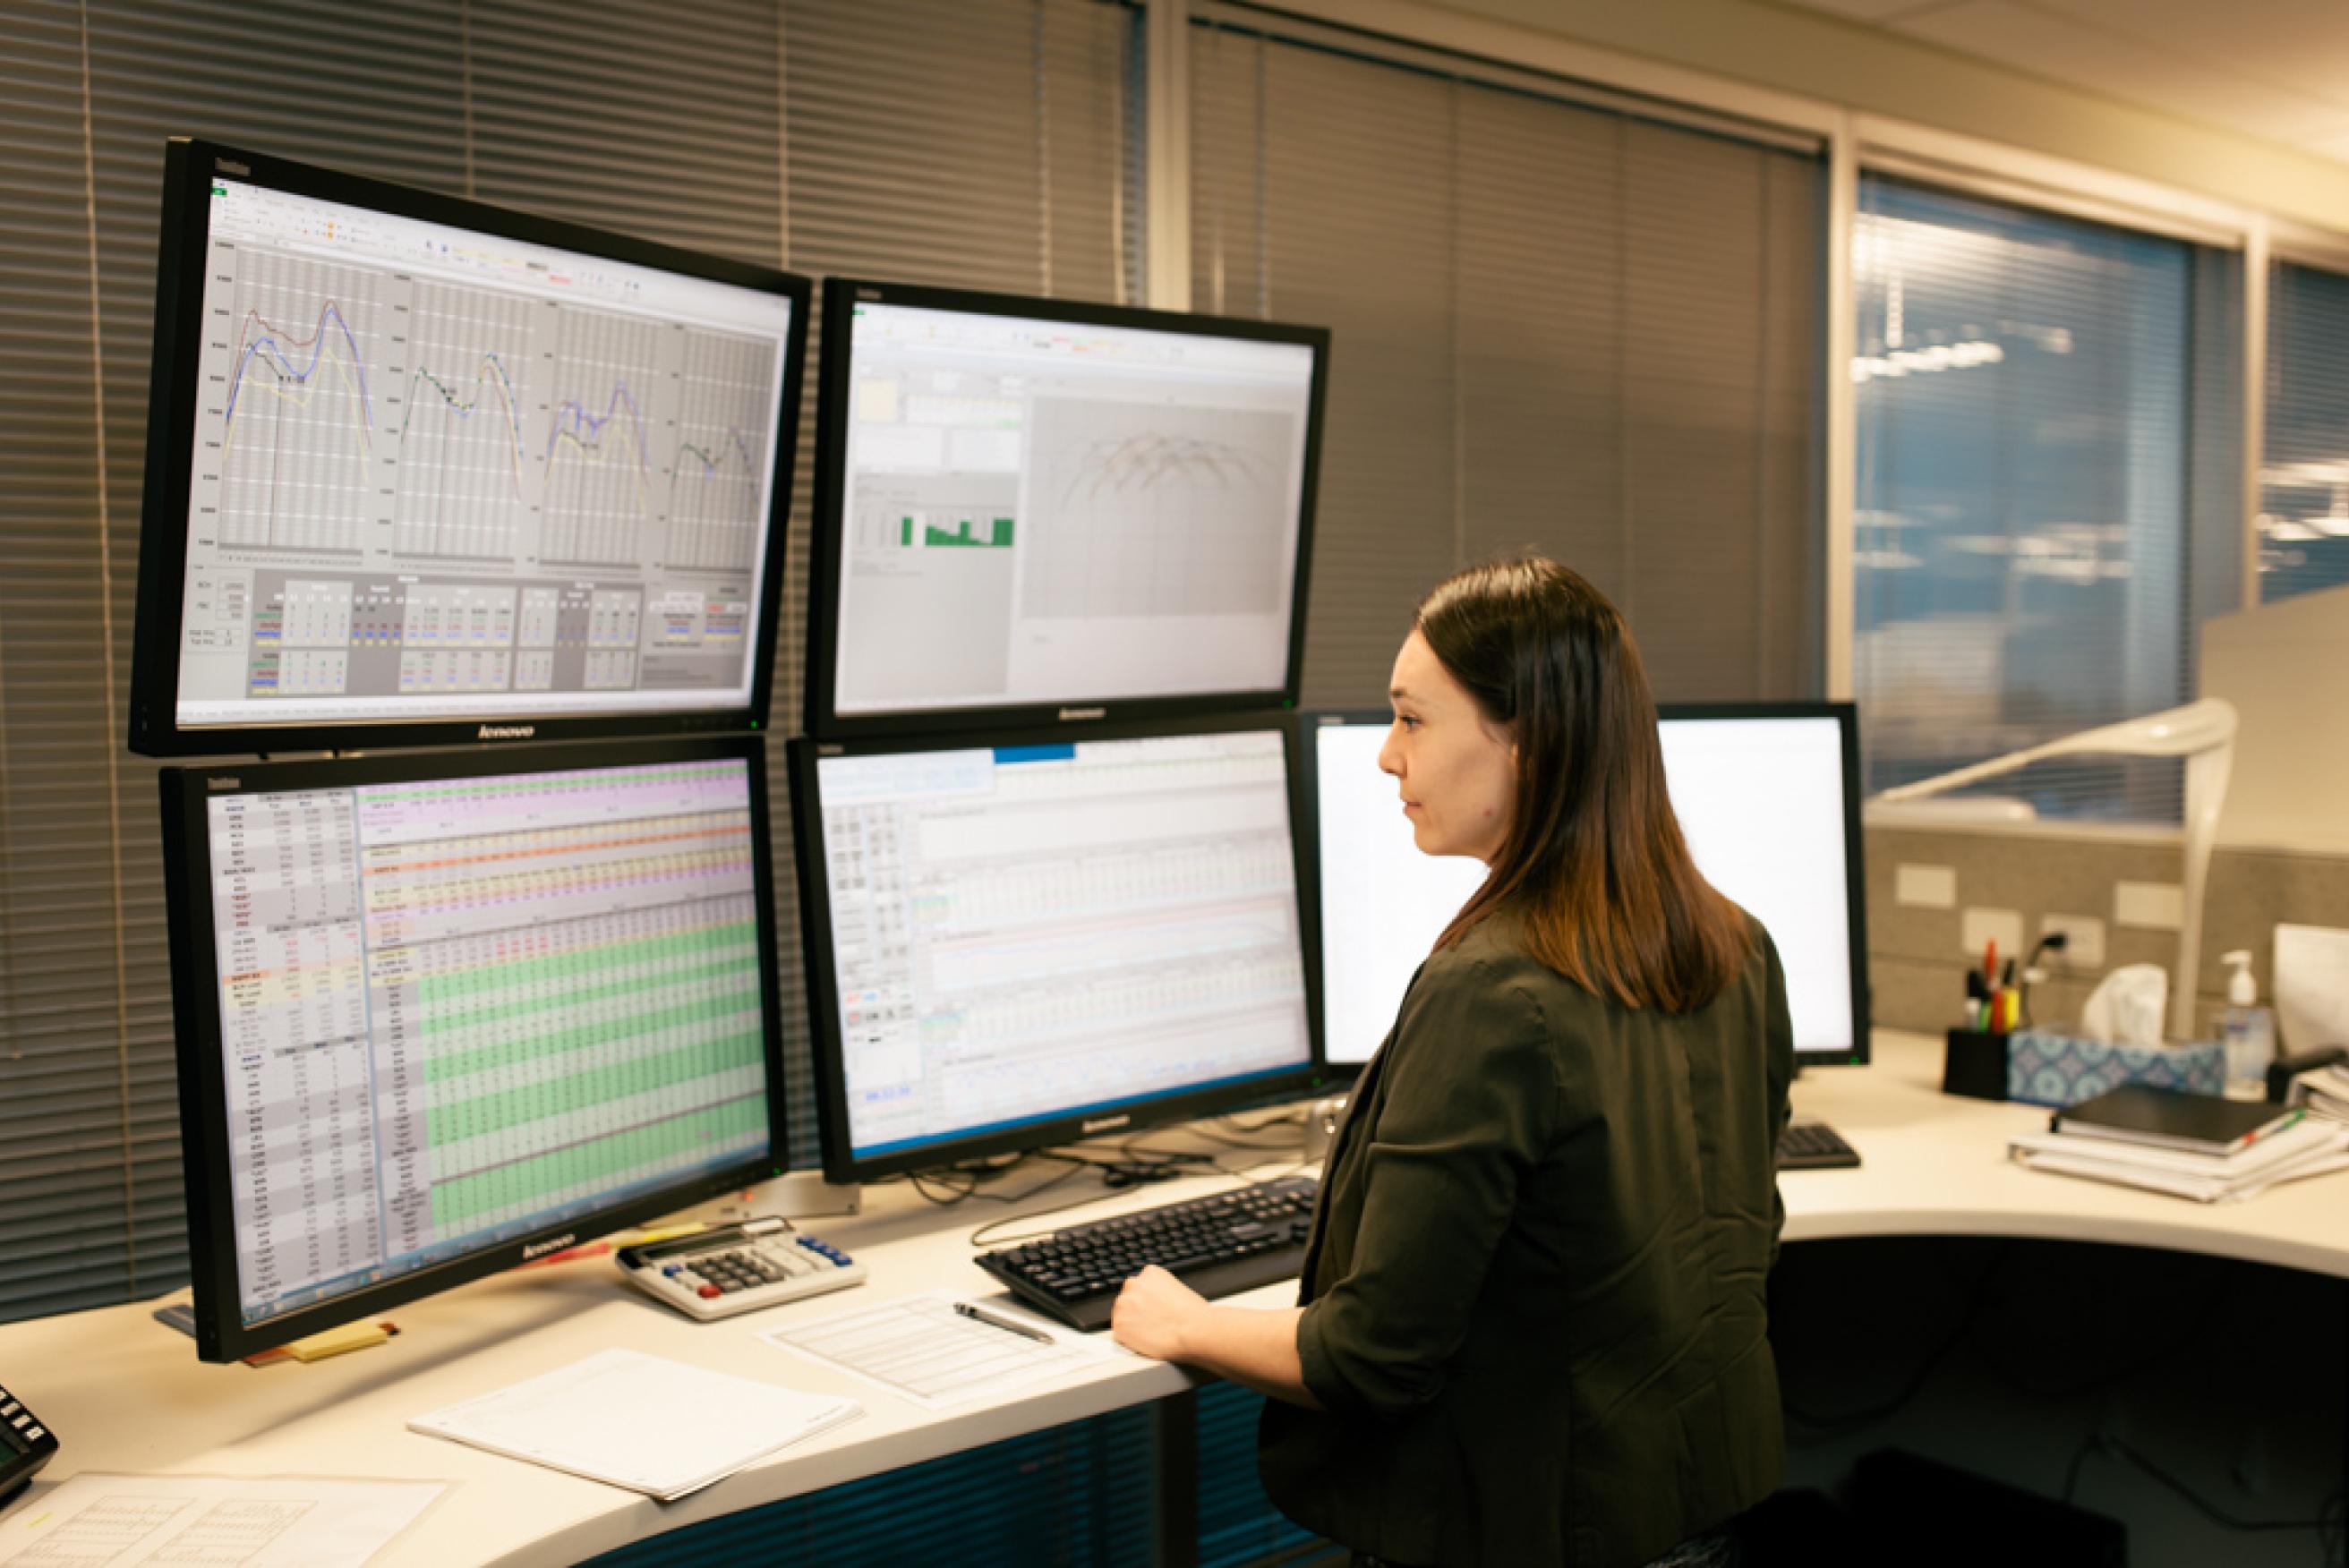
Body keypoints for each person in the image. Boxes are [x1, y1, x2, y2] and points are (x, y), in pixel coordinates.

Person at [1111, 556, 1793, 1568]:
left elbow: (1369, 1356)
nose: (1387, 756)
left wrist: (1187, 1324)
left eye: (1412, 719)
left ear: (1524, 739)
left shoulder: (1492, 994)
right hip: (1689, 1517)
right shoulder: (1737, 945)